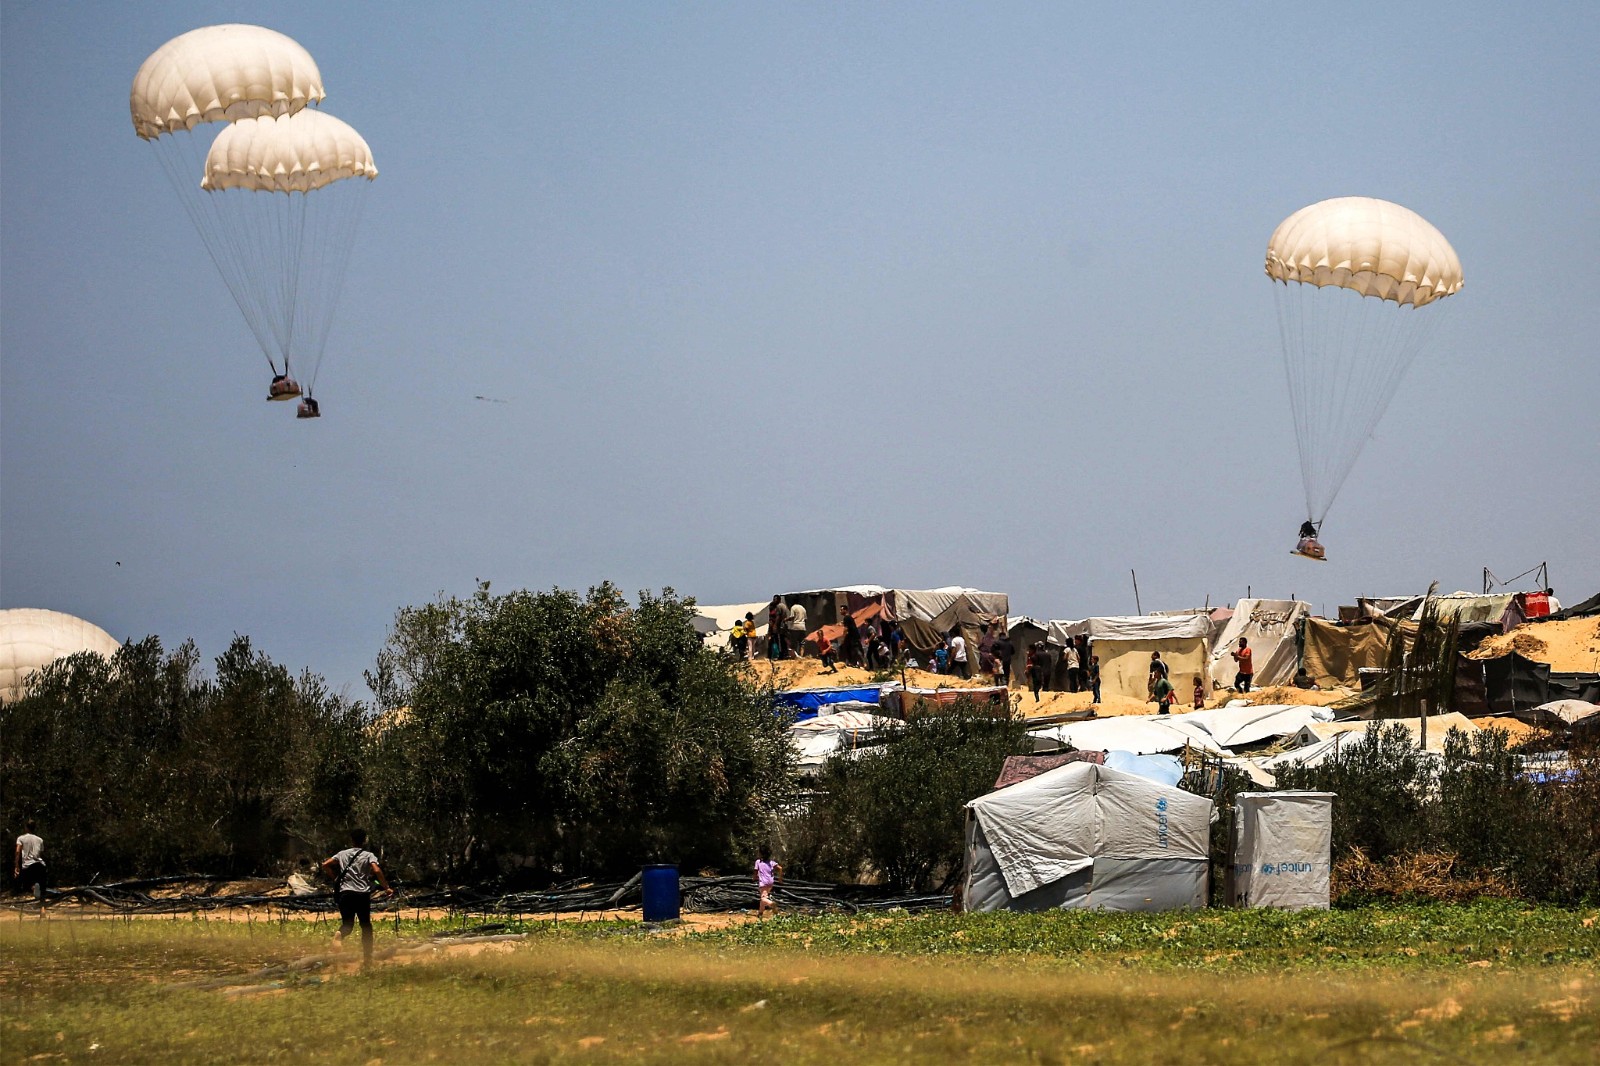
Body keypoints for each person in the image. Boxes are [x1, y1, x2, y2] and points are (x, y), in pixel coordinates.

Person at [320, 828, 393, 967]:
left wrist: (335, 878)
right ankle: (367, 959)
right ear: (365, 840)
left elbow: (325, 864)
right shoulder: (368, 855)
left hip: (345, 893)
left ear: (351, 840)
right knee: (366, 926)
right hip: (362, 894)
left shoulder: (342, 854)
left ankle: (339, 935)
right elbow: (376, 870)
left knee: (348, 924)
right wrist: (386, 887)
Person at [13, 822, 45, 903]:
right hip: (40, 864)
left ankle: (34, 887)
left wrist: (16, 865)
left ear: (26, 828)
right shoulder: (40, 839)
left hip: (28, 865)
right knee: (41, 886)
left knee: (26, 884)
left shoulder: (21, 838)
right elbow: (40, 853)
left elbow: (17, 851)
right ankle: (42, 908)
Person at [755, 845, 783, 919]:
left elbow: (755, 871)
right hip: (770, 883)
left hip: (763, 883)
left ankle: (771, 904)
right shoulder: (771, 862)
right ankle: (760, 913)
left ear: (761, 853)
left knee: (763, 899)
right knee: (764, 897)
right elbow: (780, 868)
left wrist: (754, 878)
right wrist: (780, 879)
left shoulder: (758, 862)